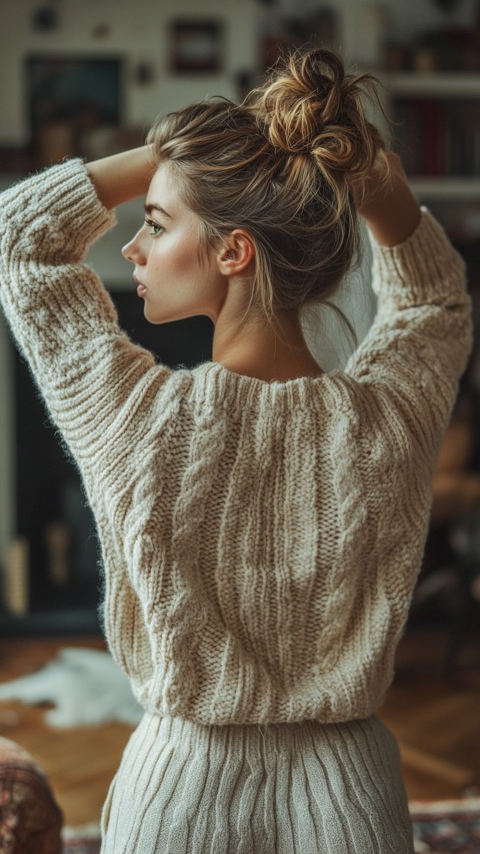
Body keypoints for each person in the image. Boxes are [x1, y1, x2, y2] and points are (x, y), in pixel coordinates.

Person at [0, 48, 472, 853]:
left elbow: (22, 242)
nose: (136, 250)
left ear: (234, 251)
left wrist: (176, 152)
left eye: (154, 223)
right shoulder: (390, 414)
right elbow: (434, 299)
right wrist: (384, 192)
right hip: (351, 796)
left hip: (177, 795)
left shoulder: (136, 418)